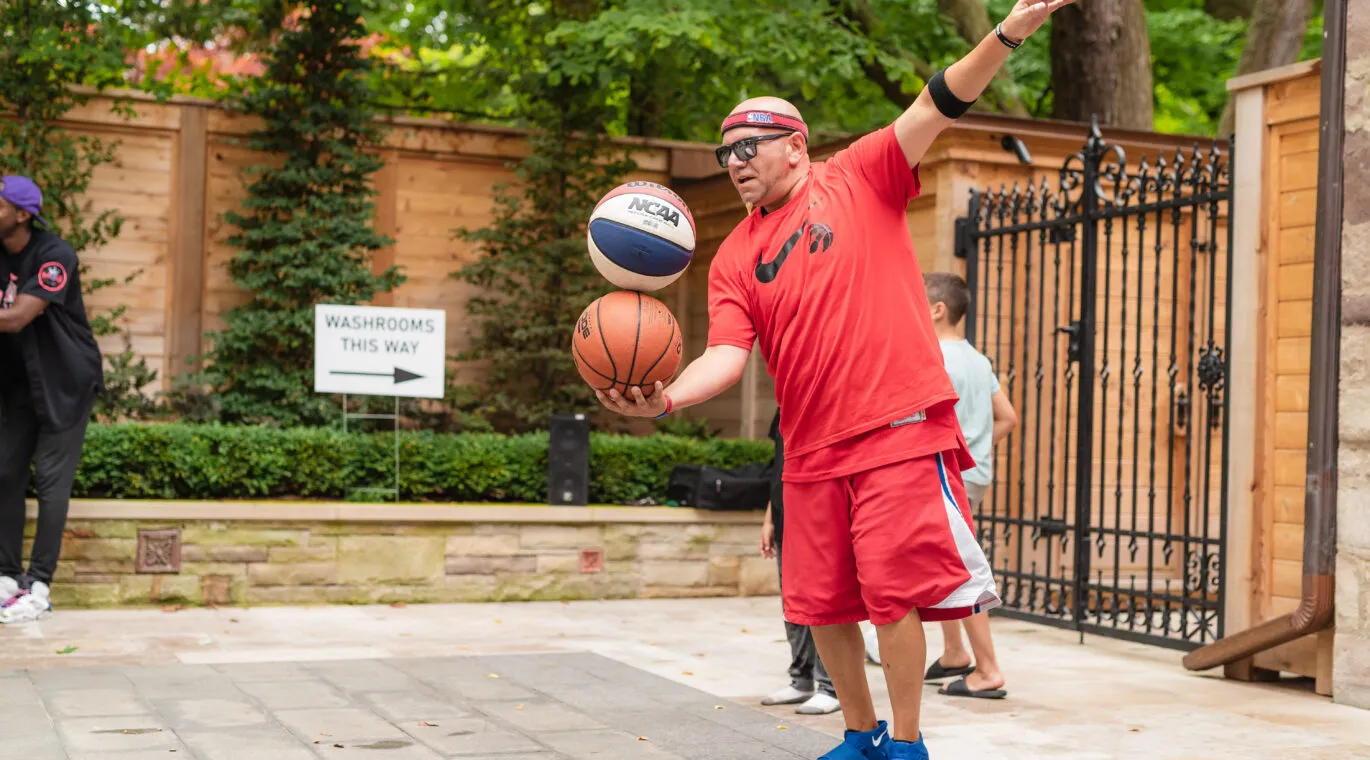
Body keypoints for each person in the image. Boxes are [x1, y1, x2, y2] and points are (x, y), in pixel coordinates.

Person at [596, 3, 1077, 757]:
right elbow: (727, 355)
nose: (734, 162)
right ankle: (859, 735)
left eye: (747, 147)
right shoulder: (733, 257)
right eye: (725, 153)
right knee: (820, 605)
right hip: (810, 450)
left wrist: (1010, 30)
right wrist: (664, 399)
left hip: (897, 429)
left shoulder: (859, 173)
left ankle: (907, 744)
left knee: (891, 598)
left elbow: (938, 101)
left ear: (795, 146)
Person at [865, 273, 1020, 699]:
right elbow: (1008, 418)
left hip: (943, 476)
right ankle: (954, 653)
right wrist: (974, 450)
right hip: (973, 474)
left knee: (960, 567)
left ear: (937, 309)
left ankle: (987, 669)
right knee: (944, 561)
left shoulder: (932, 356)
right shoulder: (978, 360)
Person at [0, 175, 104, 624]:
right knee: (5, 471)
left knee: (50, 480)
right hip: (20, 382)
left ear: (22, 215)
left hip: (65, 380)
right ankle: (6, 576)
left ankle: (39, 586)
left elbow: (17, 317)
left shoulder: (55, 255)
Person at [760, 408, 841, 716]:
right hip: (785, 519)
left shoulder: (826, 404)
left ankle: (831, 686)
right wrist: (769, 519)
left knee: (824, 604)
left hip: (820, 518)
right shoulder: (785, 406)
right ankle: (801, 679)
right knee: (793, 606)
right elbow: (779, 465)